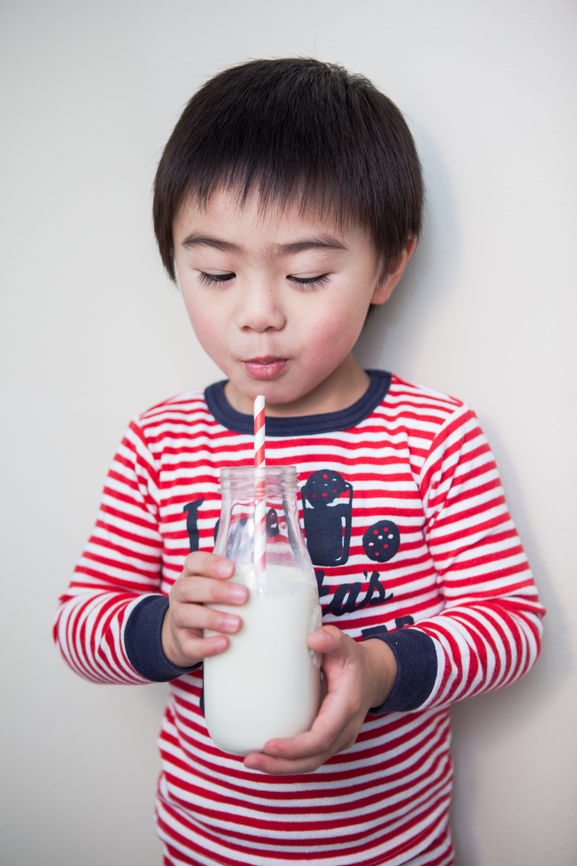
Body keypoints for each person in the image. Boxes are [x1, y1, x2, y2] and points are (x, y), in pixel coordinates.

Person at [54, 58, 545, 866]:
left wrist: (379, 669)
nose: (257, 315)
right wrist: (167, 632)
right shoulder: (161, 442)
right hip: (206, 846)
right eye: (214, 272)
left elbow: (510, 627)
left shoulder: (432, 437)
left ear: (388, 266)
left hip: (390, 848)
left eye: (308, 275)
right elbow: (77, 627)